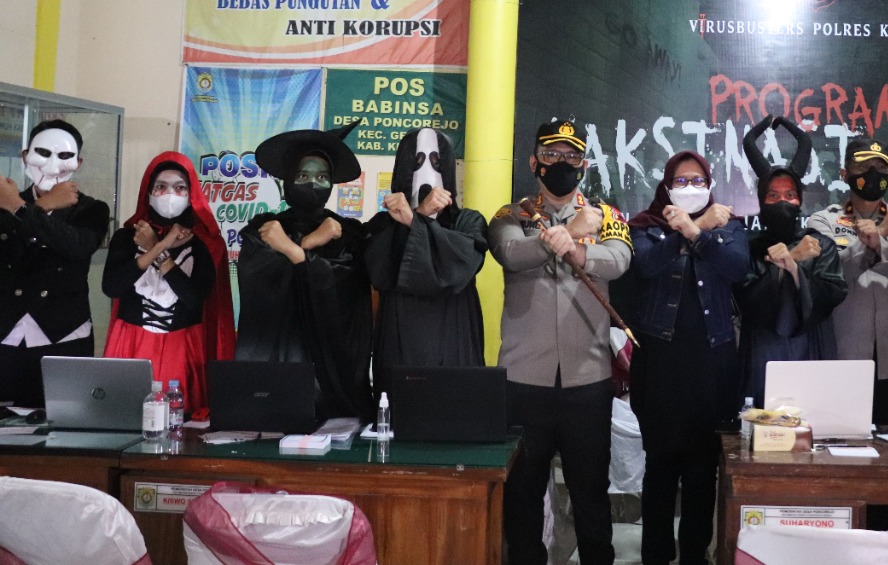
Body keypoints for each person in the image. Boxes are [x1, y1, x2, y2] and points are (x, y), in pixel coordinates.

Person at [489, 119, 632, 565]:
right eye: (552, 154)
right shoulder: (510, 215)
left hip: (587, 380)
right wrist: (564, 236)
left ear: (584, 166)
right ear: (535, 162)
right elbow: (511, 253)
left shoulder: (606, 215)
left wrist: (573, 244)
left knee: (590, 492)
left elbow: (619, 260)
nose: (562, 163)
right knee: (523, 493)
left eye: (572, 156)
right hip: (523, 380)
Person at [627, 150, 747, 565]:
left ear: (710, 185)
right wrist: (688, 231)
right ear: (666, 186)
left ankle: (695, 555)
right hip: (660, 365)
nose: (690, 188)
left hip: (713, 367)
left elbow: (737, 267)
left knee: (702, 472)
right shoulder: (646, 225)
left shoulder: (730, 226)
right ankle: (656, 556)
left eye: (698, 181)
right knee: (660, 468)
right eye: (681, 181)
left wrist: (698, 232)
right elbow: (645, 265)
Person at [235, 120, 374, 422]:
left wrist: (292, 249)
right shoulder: (264, 229)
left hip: (330, 371)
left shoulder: (347, 233)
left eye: (322, 176)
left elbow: (344, 290)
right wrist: (307, 244)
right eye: (302, 175)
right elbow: (256, 280)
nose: (312, 183)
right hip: (278, 359)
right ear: (287, 180)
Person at [102, 152, 236, 412]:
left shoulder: (206, 244)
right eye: (161, 186)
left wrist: (157, 250)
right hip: (131, 341)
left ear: (191, 194)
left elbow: (194, 299)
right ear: (148, 191)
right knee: (125, 414)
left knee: (180, 421)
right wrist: (159, 245)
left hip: (181, 345)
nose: (170, 194)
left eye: (180, 187)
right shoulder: (127, 237)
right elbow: (112, 287)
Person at [809, 136, 888, 427]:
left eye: (881, 168)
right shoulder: (823, 221)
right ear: (845, 173)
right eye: (863, 167)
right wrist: (881, 233)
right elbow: (831, 276)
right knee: (842, 443)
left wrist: (879, 242)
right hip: (843, 357)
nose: (873, 175)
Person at [364, 127, 486, 394]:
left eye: (436, 161)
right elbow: (379, 270)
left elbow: (460, 266)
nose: (427, 170)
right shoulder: (382, 225)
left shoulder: (467, 221)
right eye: (417, 161)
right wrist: (418, 216)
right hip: (400, 343)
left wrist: (413, 221)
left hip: (455, 341)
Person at [737, 115, 846, 405]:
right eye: (773, 195)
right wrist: (791, 260)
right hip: (762, 352)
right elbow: (746, 300)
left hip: (812, 348)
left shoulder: (821, 244)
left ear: (800, 199)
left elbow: (833, 292)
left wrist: (795, 270)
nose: (782, 202)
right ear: (761, 200)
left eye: (789, 194)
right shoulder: (747, 246)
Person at [0, 120, 110, 407]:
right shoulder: (5, 202)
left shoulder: (92, 209)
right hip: (7, 334)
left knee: (65, 418)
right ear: (25, 156)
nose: (52, 165)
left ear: (78, 162)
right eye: (43, 153)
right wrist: (38, 206)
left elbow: (77, 246)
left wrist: (21, 209)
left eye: (64, 156)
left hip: (64, 335)